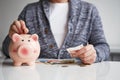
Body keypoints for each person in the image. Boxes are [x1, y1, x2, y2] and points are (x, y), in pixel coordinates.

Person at [2, 0, 110, 64]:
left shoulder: (89, 10)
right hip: (37, 75)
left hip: (77, 75)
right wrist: (12, 38)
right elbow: (6, 49)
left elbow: (103, 46)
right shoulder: (30, 10)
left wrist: (95, 54)